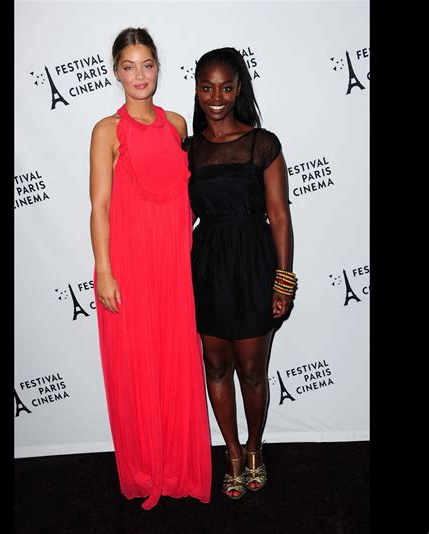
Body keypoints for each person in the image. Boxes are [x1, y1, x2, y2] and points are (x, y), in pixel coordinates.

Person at [89, 27, 211, 510]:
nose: (139, 75)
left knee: (177, 361)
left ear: (159, 67)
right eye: (128, 66)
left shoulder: (179, 124)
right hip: (131, 266)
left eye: (147, 65)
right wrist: (104, 270)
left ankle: (180, 469)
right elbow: (99, 206)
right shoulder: (106, 130)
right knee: (135, 366)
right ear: (116, 72)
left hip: (174, 267)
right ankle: (146, 472)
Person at [183, 47, 296, 500]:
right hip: (206, 265)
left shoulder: (262, 143)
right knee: (215, 367)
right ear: (196, 88)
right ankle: (230, 454)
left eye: (226, 87)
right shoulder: (188, 149)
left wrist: (283, 280)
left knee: (251, 370)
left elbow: (280, 216)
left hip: (253, 262)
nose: (216, 97)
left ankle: (254, 449)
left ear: (239, 88)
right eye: (207, 87)